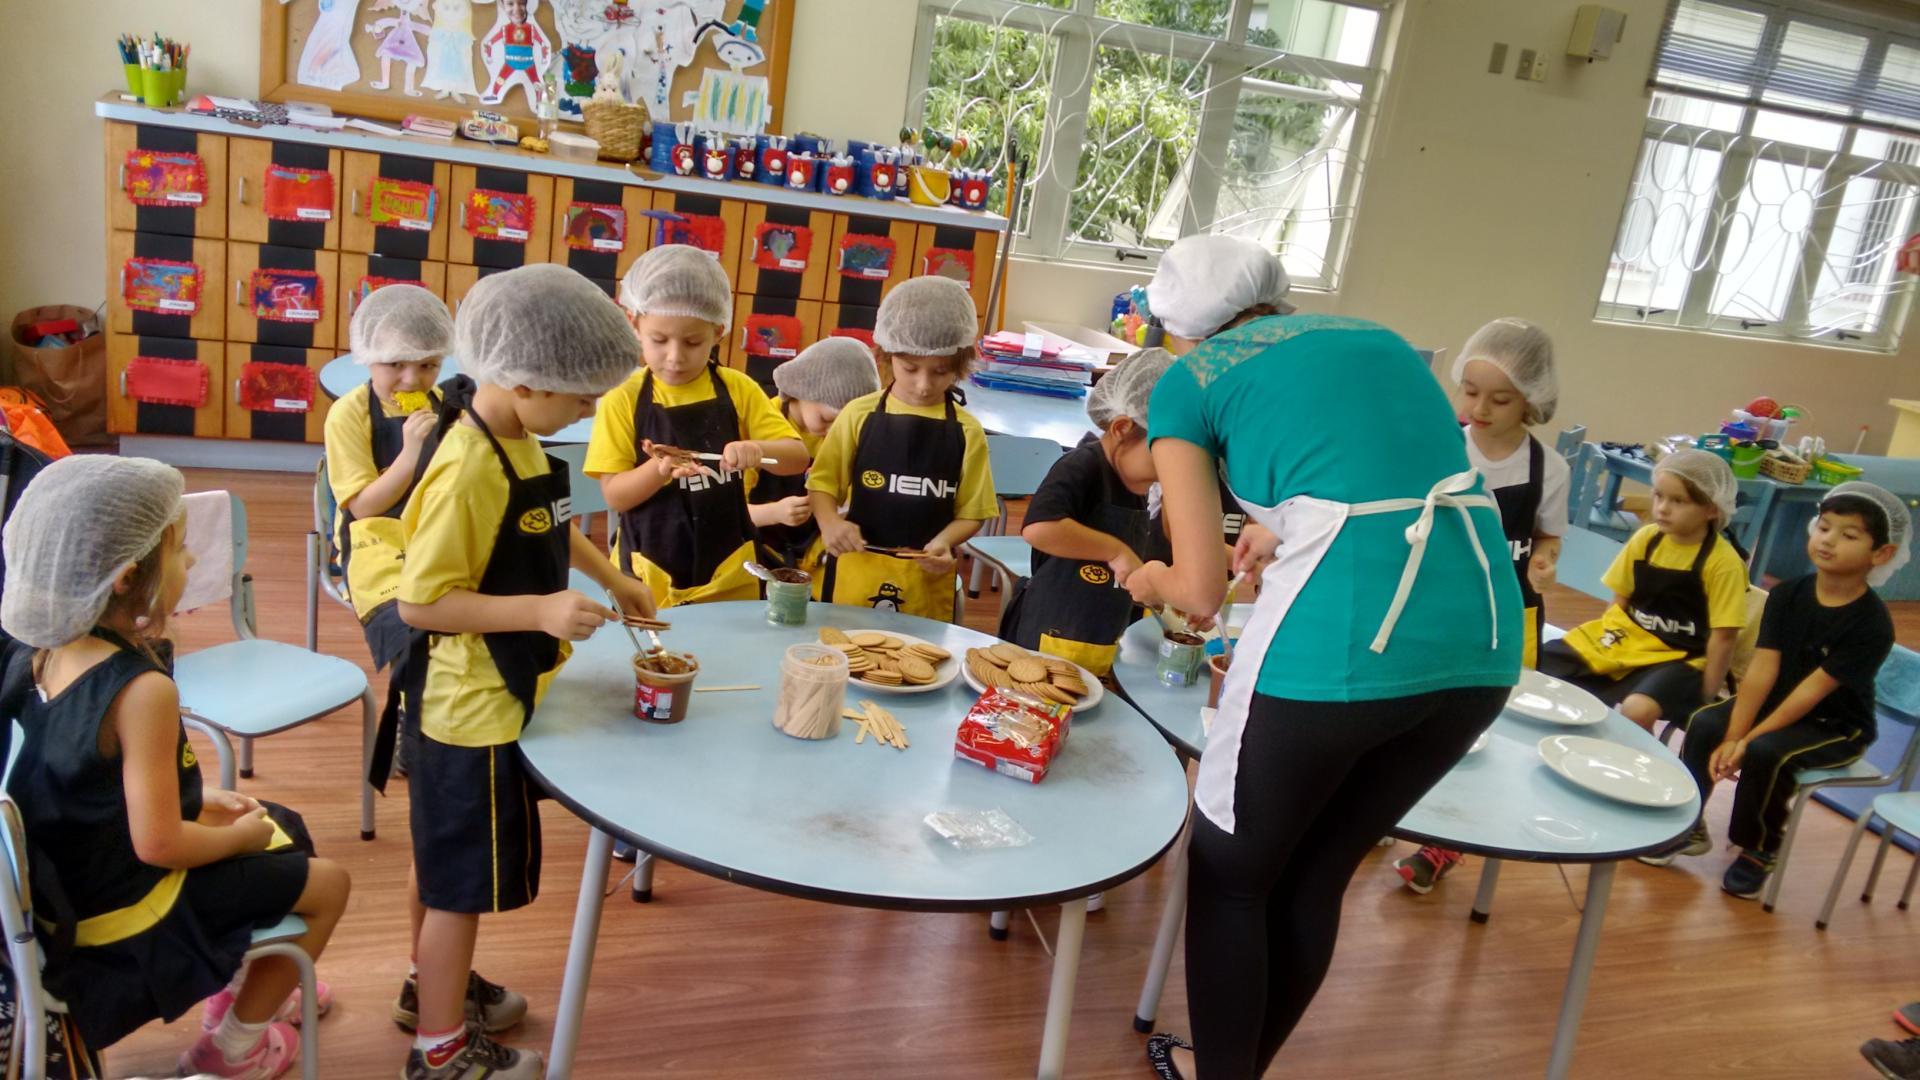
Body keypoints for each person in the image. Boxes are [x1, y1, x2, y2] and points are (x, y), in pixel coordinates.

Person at [1124, 235, 1522, 1080]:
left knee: (1232, 872)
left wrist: (1147, 572)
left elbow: (1197, 592)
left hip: (1347, 640)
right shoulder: (1377, 339)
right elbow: (1371, 466)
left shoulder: (1187, 383)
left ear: (1178, 328)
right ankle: (1227, 1069)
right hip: (1483, 635)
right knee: (1313, 874)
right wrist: (1284, 521)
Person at [0, 456, 351, 1079]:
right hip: (127, 917)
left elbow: (81, 783)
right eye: (182, 550)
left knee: (284, 821)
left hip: (73, 884)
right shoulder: (141, 691)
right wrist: (237, 835)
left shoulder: (42, 650)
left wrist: (208, 804)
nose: (191, 563)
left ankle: (248, 978)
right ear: (130, 576)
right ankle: (233, 1046)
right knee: (328, 886)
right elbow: (159, 842)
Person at [393, 264, 656, 1080]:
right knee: (458, 886)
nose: (587, 413)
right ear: (520, 377)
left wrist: (609, 575)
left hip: (495, 691)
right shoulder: (467, 463)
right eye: (579, 400)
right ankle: (438, 1052)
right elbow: (422, 603)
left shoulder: (516, 432)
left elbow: (546, 520)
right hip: (468, 710)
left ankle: (431, 989)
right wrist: (538, 611)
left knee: (444, 867)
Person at [1651, 482, 1906, 900]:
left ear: (1881, 554)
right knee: (1704, 723)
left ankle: (1759, 848)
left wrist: (1747, 741)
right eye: (1824, 527)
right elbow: (1763, 668)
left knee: (1768, 752)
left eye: (1849, 535)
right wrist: (1733, 735)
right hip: (1777, 704)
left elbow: (1812, 692)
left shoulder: (1871, 623)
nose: (1829, 541)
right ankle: (1688, 822)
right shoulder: (1789, 594)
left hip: (1834, 724)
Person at [1394, 317, 1567, 895]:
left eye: (1501, 398)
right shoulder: (1438, 446)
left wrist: (1544, 559)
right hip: (1432, 603)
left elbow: (1547, 536)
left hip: (1505, 615)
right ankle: (1378, 810)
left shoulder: (1550, 470)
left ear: (1532, 401)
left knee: (1475, 729)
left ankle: (1448, 842)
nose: (1481, 408)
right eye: (1470, 392)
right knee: (1403, 714)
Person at [586, 244, 808, 608]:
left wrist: (760, 450)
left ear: (718, 332)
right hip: (650, 576)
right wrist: (658, 472)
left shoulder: (738, 389)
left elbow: (797, 457)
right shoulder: (622, 399)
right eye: (659, 340)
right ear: (633, 323)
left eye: (692, 342)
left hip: (733, 574)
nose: (675, 356)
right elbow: (615, 496)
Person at [809, 277, 998, 620]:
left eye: (941, 372)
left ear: (960, 364)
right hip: (854, 570)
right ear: (886, 355)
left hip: (924, 579)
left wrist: (945, 541)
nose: (924, 385)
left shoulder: (967, 431)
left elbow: (972, 513)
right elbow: (822, 484)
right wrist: (829, 523)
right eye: (910, 369)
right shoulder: (858, 414)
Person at [1537, 448, 1748, 733]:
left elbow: (1724, 639)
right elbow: (1618, 605)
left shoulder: (1723, 563)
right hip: (1630, 641)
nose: (1662, 508)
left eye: (1678, 501)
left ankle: (1637, 762)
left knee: (1637, 709)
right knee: (1540, 662)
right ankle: (1570, 735)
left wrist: (1705, 698)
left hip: (1682, 657)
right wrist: (1607, 647)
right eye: (1659, 495)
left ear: (1712, 509)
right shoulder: (1646, 539)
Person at [998, 349, 1174, 676]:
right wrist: (1115, 550)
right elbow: (1039, 528)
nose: (1167, 471)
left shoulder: (1135, 483)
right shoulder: (1083, 467)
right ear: (1122, 428)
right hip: (1050, 635)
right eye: (1161, 457)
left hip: (1101, 635)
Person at [324, 283, 454, 683]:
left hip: (437, 529)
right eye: (395, 364)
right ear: (367, 358)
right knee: (410, 629)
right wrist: (411, 451)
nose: (412, 379)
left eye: (428, 365)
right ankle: (411, 708)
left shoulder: (445, 406)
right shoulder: (348, 415)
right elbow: (363, 507)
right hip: (376, 538)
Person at [753, 336, 881, 572]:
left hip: (809, 560)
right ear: (799, 390)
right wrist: (774, 512)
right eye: (829, 419)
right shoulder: (761, 424)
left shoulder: (844, 439)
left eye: (845, 424)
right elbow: (728, 511)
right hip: (753, 553)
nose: (834, 431)